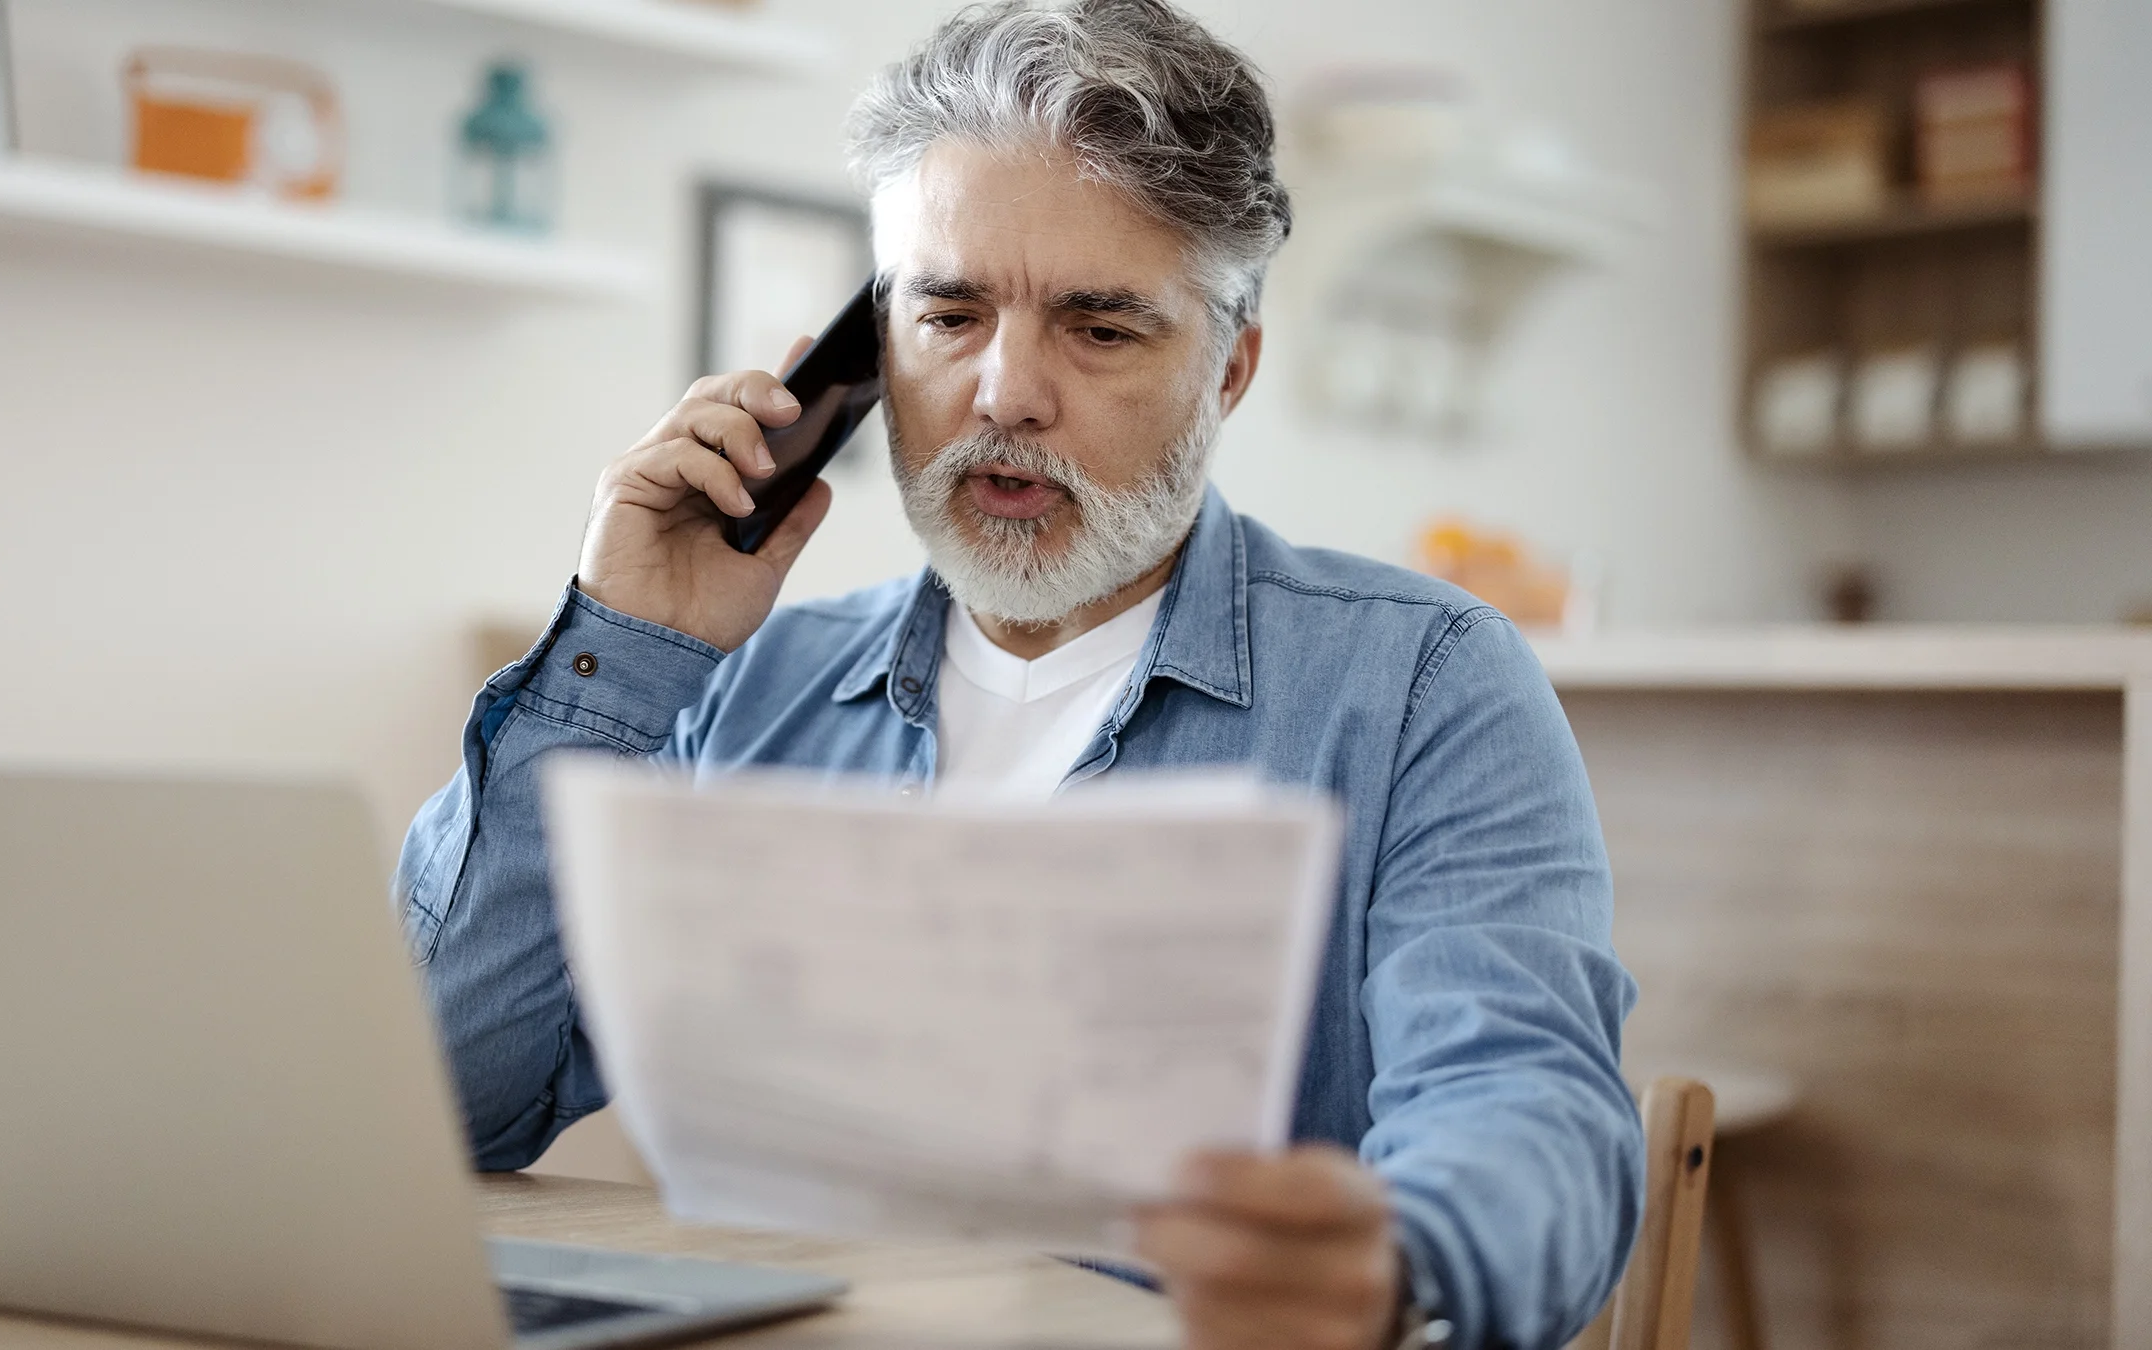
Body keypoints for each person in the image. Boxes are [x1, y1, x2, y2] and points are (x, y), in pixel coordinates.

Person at [398, 2, 1641, 1345]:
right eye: (949, 312)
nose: (1004, 393)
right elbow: (432, 1102)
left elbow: (1527, 1105)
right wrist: (625, 648)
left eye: (1100, 330)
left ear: (1231, 369)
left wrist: (1402, 1256)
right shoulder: (744, 691)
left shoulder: (1422, 685)